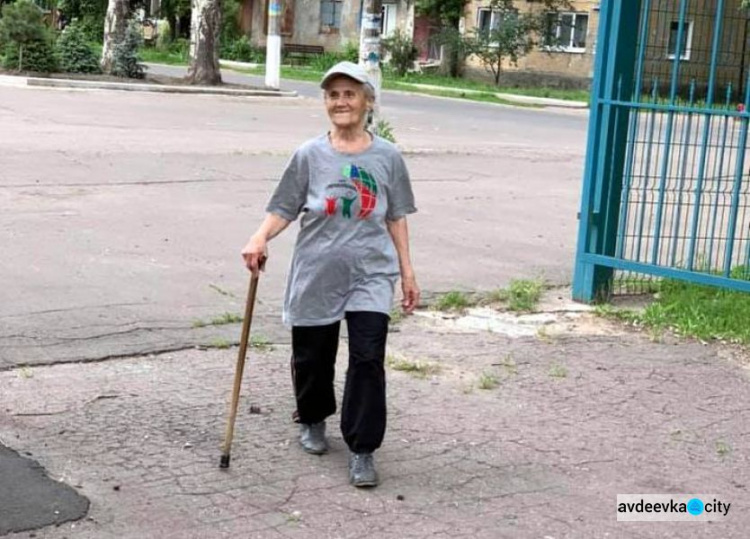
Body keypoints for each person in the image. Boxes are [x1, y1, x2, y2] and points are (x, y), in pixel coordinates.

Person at [241, 61, 419, 488]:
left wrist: (407, 272)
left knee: (367, 358)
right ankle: (314, 416)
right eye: (333, 95)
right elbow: (285, 206)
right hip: (318, 269)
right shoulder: (309, 155)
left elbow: (396, 215)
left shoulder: (387, 156)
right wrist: (259, 238)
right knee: (313, 355)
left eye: (350, 93)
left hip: (371, 272)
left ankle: (362, 448)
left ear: (367, 101)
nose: (341, 102)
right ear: (326, 102)